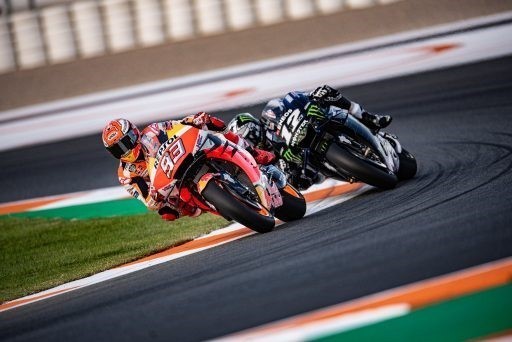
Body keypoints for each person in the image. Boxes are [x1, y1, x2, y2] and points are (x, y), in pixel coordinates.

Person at [102, 112, 276, 221]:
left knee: (211, 123)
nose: (124, 151)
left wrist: (194, 120)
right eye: (117, 149)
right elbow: (146, 199)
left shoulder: (152, 131)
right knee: (168, 213)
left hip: (187, 153)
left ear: (133, 134)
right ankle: (222, 205)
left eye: (125, 143)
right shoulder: (126, 175)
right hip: (172, 184)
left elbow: (177, 126)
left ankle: (252, 152)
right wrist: (154, 199)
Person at [227, 85, 392, 190]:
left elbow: (290, 98)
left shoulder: (268, 117)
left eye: (246, 138)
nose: (249, 143)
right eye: (244, 143)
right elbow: (292, 184)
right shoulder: (265, 161)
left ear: (252, 127)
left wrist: (308, 102)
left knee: (324, 91)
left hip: (312, 125)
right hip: (317, 163)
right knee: (306, 179)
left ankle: (369, 118)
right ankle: (354, 169)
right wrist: (296, 173)